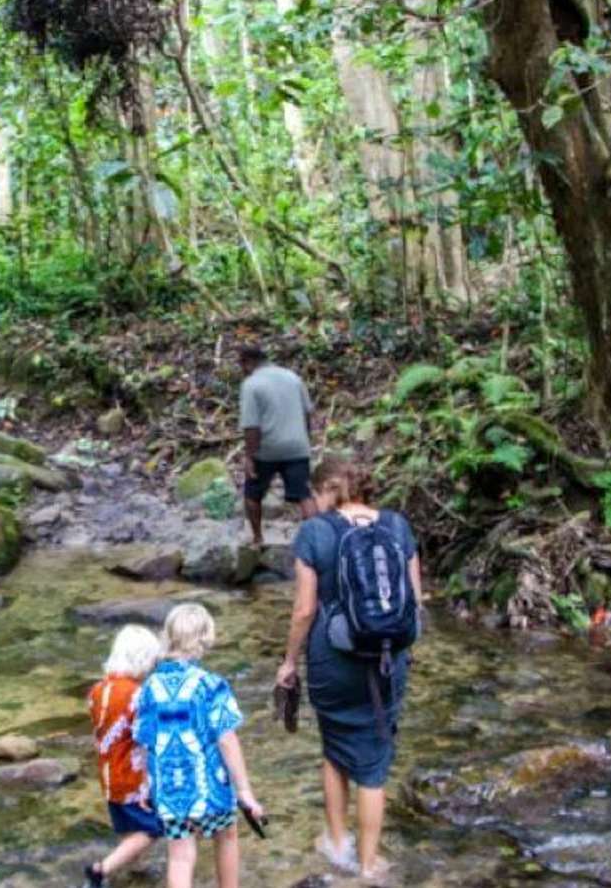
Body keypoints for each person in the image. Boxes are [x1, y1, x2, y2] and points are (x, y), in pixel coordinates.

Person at [275, 457, 424, 883]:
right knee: (374, 763)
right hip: (387, 658)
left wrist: (288, 662)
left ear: (328, 489)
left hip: (332, 661)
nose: (314, 503)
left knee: (334, 746)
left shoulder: (315, 532)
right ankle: (369, 864)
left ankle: (338, 843)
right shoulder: (397, 526)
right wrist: (403, 651)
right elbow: (415, 599)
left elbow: (304, 610)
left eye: (316, 495)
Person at [135, 604, 264, 888]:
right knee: (227, 836)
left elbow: (144, 740)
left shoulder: (149, 687)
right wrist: (244, 790)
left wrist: (145, 783)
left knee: (180, 856)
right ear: (205, 637)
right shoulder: (210, 685)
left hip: (169, 785)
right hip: (210, 784)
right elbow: (227, 739)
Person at [83, 625, 163, 888]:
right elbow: (147, 736)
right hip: (132, 778)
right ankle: (101, 870)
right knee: (153, 829)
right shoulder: (138, 694)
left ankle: (135, 873)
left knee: (129, 830)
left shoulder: (97, 690)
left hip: (108, 775)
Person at [237, 344, 319, 545]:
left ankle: (258, 539)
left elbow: (251, 426)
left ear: (248, 363)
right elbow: (308, 413)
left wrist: (249, 457)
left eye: (241, 363)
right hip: (298, 446)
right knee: (304, 495)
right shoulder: (293, 377)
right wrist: (305, 440)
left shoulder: (251, 384)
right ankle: (318, 540)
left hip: (267, 449)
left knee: (252, 494)